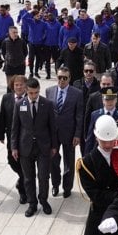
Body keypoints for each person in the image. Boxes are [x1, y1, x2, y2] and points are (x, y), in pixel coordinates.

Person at [12, 78, 58, 217]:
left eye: (36, 92)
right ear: (26, 91)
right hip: (25, 147)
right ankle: (32, 203)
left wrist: (54, 146)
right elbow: (15, 127)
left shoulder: (47, 104)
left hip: (43, 146)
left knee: (43, 176)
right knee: (28, 178)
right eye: (31, 93)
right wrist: (14, 147)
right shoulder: (20, 104)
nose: (33, 96)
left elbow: (52, 127)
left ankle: (43, 200)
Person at [46, 67, 84, 198]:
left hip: (69, 133)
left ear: (69, 78)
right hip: (53, 134)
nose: (62, 80)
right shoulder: (49, 91)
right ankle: (55, 185)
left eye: (65, 78)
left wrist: (77, 134)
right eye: (59, 77)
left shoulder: (77, 93)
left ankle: (67, 187)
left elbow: (79, 116)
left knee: (69, 162)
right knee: (53, 161)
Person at [0, 75, 28, 204]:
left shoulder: (30, 98)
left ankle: (23, 190)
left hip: (26, 138)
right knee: (12, 161)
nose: (19, 87)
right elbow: (2, 117)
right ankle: (23, 177)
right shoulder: (6, 98)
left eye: (21, 84)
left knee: (26, 163)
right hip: (12, 137)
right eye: (16, 85)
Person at [84, 88, 118, 155]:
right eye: (107, 100)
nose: (110, 102)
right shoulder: (95, 115)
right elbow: (90, 138)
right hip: (98, 151)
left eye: (112, 100)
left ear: (116, 100)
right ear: (103, 100)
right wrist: (86, 156)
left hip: (115, 151)